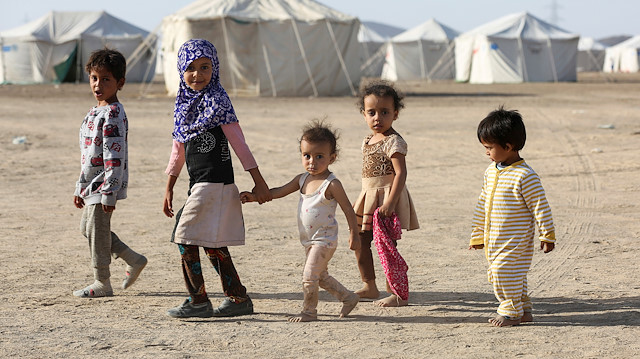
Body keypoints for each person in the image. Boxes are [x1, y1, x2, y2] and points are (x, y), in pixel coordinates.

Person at [163, 39, 271, 319]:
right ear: (181, 71)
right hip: (198, 184)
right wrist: (169, 188)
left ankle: (198, 301)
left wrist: (259, 182)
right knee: (211, 242)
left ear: (215, 68)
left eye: (205, 67)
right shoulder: (183, 108)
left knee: (184, 236)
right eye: (191, 68)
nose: (198, 74)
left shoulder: (218, 102)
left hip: (215, 183)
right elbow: (177, 152)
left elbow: (240, 144)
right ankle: (238, 298)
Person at [240, 120, 361, 322]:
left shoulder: (332, 184)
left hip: (325, 240)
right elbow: (278, 192)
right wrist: (255, 197)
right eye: (307, 156)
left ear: (333, 158)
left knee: (309, 276)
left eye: (319, 156)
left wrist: (354, 234)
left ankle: (309, 312)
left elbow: (348, 209)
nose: (312, 162)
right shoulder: (302, 179)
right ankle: (348, 297)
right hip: (309, 240)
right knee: (320, 277)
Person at [470, 106, 556, 327]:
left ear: (508, 146)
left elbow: (540, 207)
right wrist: (477, 234)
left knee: (502, 273)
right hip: (493, 239)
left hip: (515, 241)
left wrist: (547, 235)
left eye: (489, 147)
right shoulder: (491, 171)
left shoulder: (525, 176)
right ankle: (524, 308)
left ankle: (510, 312)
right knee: (514, 274)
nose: (486, 152)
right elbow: (483, 204)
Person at [72, 48, 147, 298]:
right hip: (90, 184)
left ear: (120, 83)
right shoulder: (94, 111)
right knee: (89, 229)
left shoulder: (113, 113)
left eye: (106, 79)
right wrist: (79, 188)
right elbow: (86, 155)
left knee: (96, 229)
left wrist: (109, 192)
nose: (98, 84)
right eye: (94, 78)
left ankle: (102, 281)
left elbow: (114, 157)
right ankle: (133, 259)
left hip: (104, 185)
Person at [352, 80, 419, 307]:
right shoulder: (367, 141)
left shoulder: (394, 141)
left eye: (384, 112)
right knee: (361, 242)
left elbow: (400, 173)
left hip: (386, 200)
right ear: (364, 114)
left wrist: (390, 202)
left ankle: (396, 293)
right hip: (368, 197)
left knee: (387, 246)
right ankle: (369, 285)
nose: (377, 118)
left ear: (395, 114)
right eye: (371, 112)